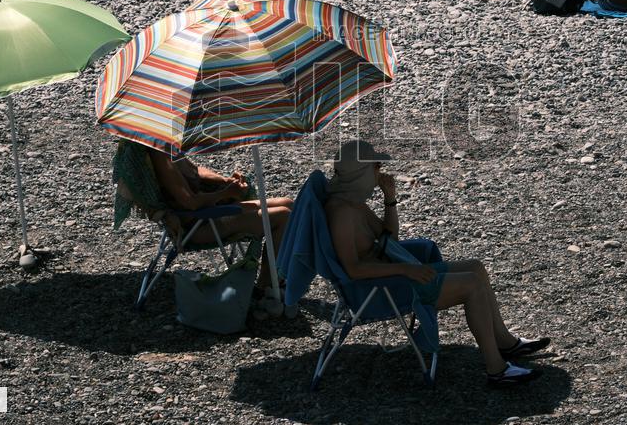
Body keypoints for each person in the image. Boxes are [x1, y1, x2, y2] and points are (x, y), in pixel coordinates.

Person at [324, 140, 551, 388]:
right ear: (361, 173)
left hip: (392, 279)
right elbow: (353, 269)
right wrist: (405, 268)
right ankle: (496, 369)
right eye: (376, 166)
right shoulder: (342, 214)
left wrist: (390, 199)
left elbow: (391, 238)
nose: (381, 171)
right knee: (472, 285)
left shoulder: (354, 204)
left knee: (475, 267)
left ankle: (505, 342)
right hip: (381, 290)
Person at [147, 146, 293, 295]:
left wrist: (225, 181)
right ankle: (265, 287)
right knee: (283, 216)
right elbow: (190, 201)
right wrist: (226, 193)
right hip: (198, 224)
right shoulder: (161, 157)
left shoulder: (166, 147)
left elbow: (195, 171)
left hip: (209, 213)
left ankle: (276, 276)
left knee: (288, 203)